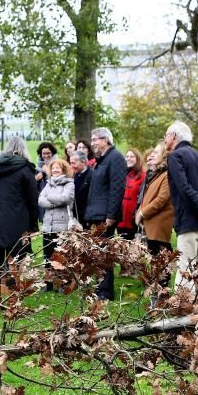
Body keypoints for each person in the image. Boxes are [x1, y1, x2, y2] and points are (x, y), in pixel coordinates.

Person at [0, 136, 38, 296]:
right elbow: (32, 199)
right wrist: (33, 226)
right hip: (15, 219)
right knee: (14, 260)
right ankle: (10, 299)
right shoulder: (26, 169)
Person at [165, 121, 198, 295]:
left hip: (189, 221)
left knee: (185, 268)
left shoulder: (175, 157)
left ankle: (182, 312)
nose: (165, 139)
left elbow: (184, 189)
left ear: (173, 136)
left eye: (166, 135)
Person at [83, 127, 126, 300]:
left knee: (104, 255)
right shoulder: (101, 160)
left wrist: (111, 216)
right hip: (95, 214)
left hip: (105, 216)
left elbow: (117, 189)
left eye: (95, 139)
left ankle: (106, 292)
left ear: (105, 140)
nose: (92, 143)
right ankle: (99, 288)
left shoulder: (115, 158)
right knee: (97, 254)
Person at [135, 143, 174, 292]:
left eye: (157, 152)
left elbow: (162, 199)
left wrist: (142, 213)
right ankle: (156, 292)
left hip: (159, 224)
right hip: (151, 224)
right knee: (154, 259)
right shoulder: (157, 174)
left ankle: (162, 292)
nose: (153, 154)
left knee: (161, 258)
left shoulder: (167, 174)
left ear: (164, 156)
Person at [37, 158, 75, 291]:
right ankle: (48, 283)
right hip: (48, 226)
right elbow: (41, 200)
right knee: (47, 255)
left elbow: (66, 198)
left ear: (64, 169)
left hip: (62, 226)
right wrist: (55, 201)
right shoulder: (48, 184)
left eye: (58, 167)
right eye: (53, 168)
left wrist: (50, 197)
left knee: (61, 256)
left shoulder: (69, 184)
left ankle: (63, 283)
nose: (55, 170)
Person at [119, 148, 146, 242]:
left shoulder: (143, 175)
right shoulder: (122, 173)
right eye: (127, 156)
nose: (128, 158)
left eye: (132, 156)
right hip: (121, 217)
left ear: (137, 159)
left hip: (134, 218)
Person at [70, 151, 92, 223]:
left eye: (74, 163)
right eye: (71, 163)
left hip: (87, 217)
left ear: (83, 162)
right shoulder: (73, 175)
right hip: (76, 217)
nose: (71, 166)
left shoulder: (92, 176)